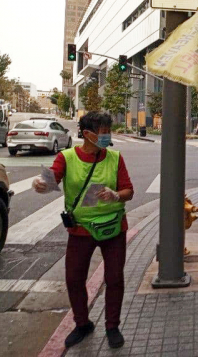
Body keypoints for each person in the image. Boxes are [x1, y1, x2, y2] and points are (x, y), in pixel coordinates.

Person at [32, 112, 134, 349]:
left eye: (109, 130)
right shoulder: (67, 157)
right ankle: (82, 324)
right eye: (103, 131)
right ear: (87, 134)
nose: (107, 135)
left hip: (113, 228)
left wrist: (116, 195)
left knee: (114, 278)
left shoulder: (115, 158)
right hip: (80, 230)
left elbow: (129, 190)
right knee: (74, 278)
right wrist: (40, 184)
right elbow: (50, 179)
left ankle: (112, 326)